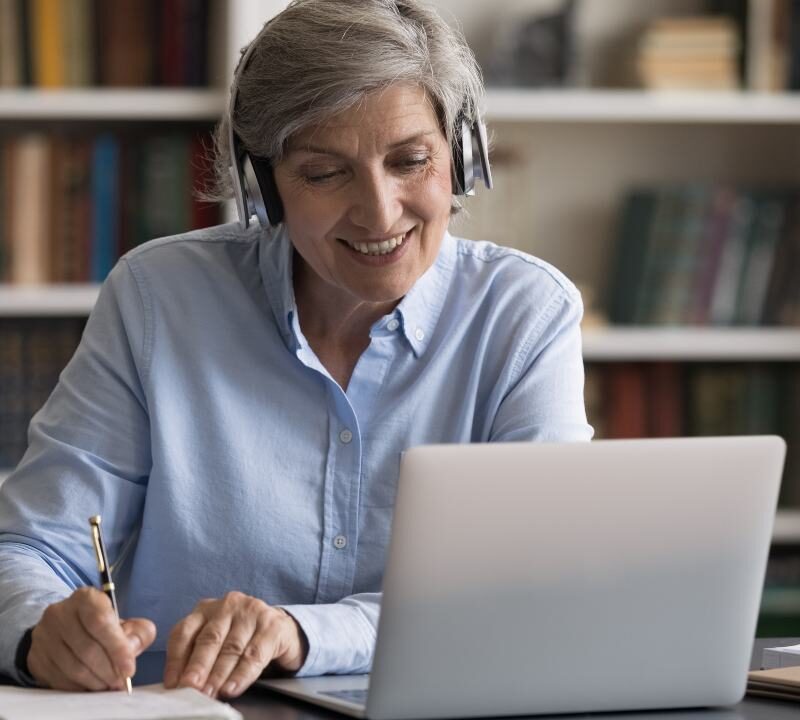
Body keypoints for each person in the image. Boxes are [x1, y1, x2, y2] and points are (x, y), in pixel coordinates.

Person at [0, 0, 592, 700]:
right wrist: (41, 632)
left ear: (460, 156)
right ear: (266, 189)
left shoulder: (525, 315)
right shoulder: (160, 299)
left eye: (410, 160)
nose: (379, 211)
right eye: (324, 173)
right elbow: (30, 547)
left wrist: (300, 633)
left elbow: (528, 588)